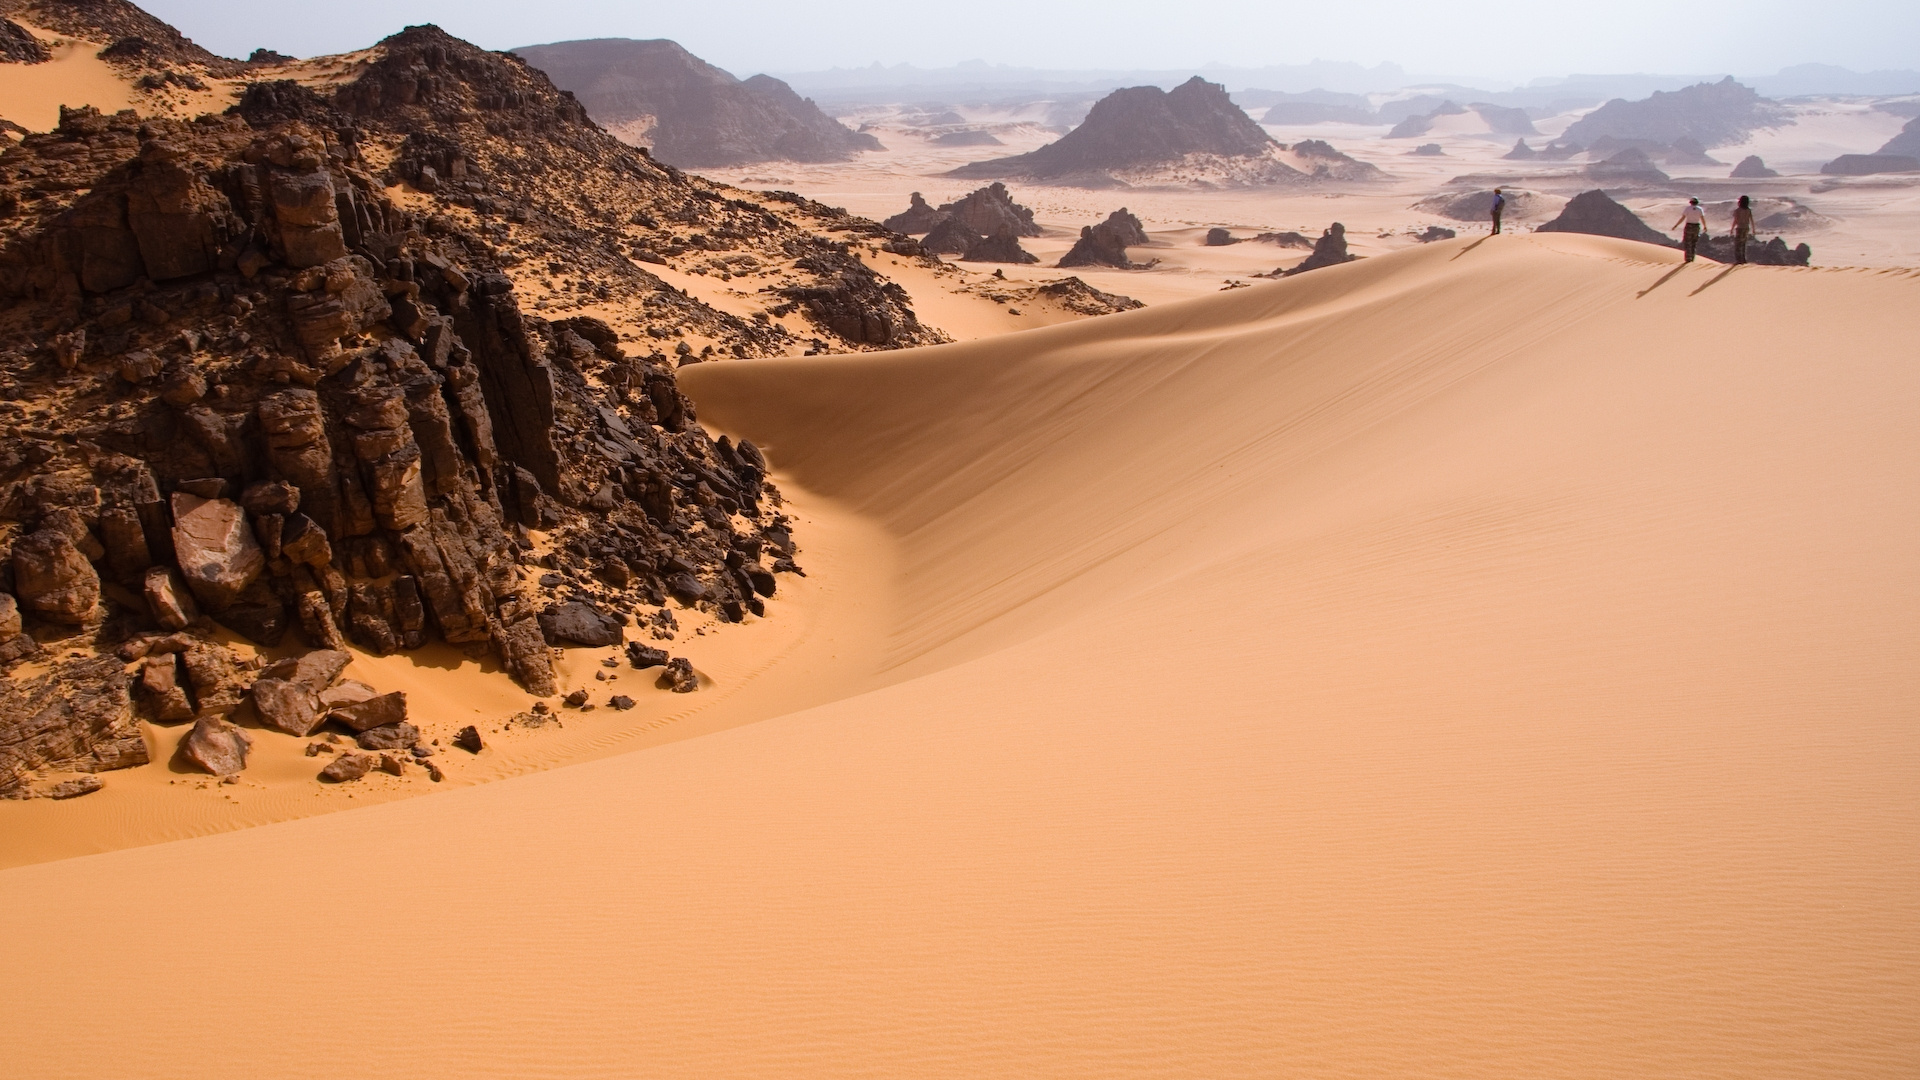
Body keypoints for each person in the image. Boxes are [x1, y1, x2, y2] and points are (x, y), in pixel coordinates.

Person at [1672, 197, 1708, 262]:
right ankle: (1692, 258)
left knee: (1687, 242)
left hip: (1689, 226)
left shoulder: (1688, 209)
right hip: (1696, 226)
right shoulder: (1700, 209)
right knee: (1694, 243)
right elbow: (1702, 218)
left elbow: (1683, 218)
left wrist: (1676, 225)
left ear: (1691, 202)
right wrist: (1705, 226)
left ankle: (1688, 259)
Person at [1730, 194, 1756, 264]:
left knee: (1738, 245)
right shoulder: (1748, 210)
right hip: (1746, 228)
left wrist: (1732, 229)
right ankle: (1744, 259)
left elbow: (1735, 220)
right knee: (1744, 244)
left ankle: (1738, 260)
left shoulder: (1737, 210)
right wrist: (1753, 229)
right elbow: (1751, 220)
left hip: (1739, 228)